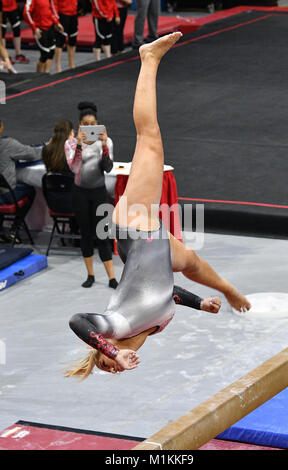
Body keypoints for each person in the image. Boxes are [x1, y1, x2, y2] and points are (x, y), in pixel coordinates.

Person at [65, 33, 251, 379]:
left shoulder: (114, 326)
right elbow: (168, 293)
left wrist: (110, 349)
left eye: (103, 361)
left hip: (134, 229)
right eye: (111, 367)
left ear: (100, 349)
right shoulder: (156, 325)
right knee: (190, 262)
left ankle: (148, 58)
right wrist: (202, 302)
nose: (112, 362)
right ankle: (228, 287)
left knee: (149, 138)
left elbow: (78, 321)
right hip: (153, 249)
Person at [64, 101, 118, 289]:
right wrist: (79, 145)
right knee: (86, 234)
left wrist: (103, 145)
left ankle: (111, 277)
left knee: (102, 234)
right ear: (79, 125)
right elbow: (75, 168)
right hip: (80, 194)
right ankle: (90, 275)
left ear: (97, 124)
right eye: (85, 125)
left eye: (92, 124)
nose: (89, 128)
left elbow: (108, 167)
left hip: (99, 193)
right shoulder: (70, 143)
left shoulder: (106, 141)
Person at [0, 119, 41, 240]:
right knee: (30, 191)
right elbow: (33, 154)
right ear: (1, 127)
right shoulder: (7, 144)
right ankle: (15, 228)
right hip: (6, 195)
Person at [23, 0, 64, 73]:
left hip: (49, 27)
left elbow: (49, 11)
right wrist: (34, 28)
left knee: (51, 51)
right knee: (44, 53)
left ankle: (46, 73)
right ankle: (38, 75)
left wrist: (57, 23)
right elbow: (26, 12)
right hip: (40, 29)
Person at [52, 0, 78, 72]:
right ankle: (57, 66)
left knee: (73, 40)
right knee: (60, 41)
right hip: (63, 15)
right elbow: (53, 4)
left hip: (73, 13)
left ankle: (72, 64)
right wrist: (56, 20)